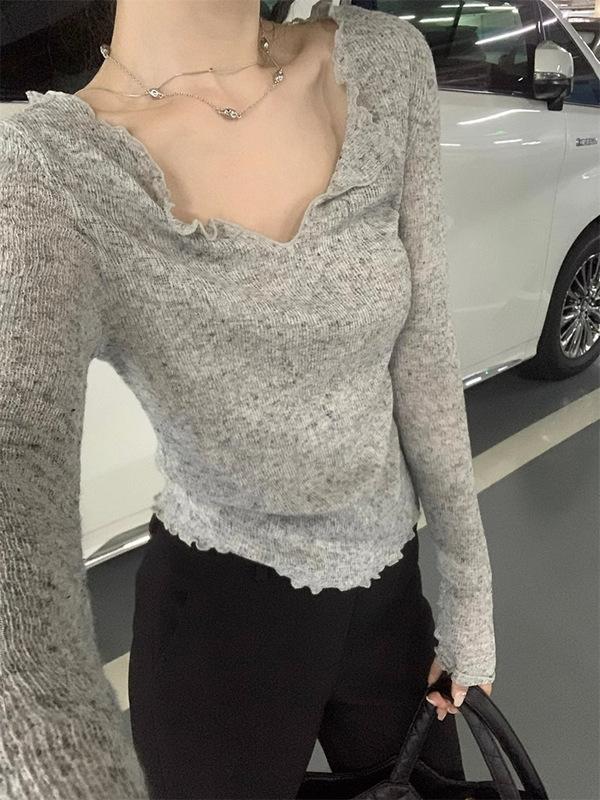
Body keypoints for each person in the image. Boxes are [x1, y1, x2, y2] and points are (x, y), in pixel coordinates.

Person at [0, 1, 496, 798]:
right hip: (217, 622)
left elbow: (425, 348)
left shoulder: (382, 62)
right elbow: (16, 462)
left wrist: (470, 590)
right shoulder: (53, 170)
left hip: (390, 593)